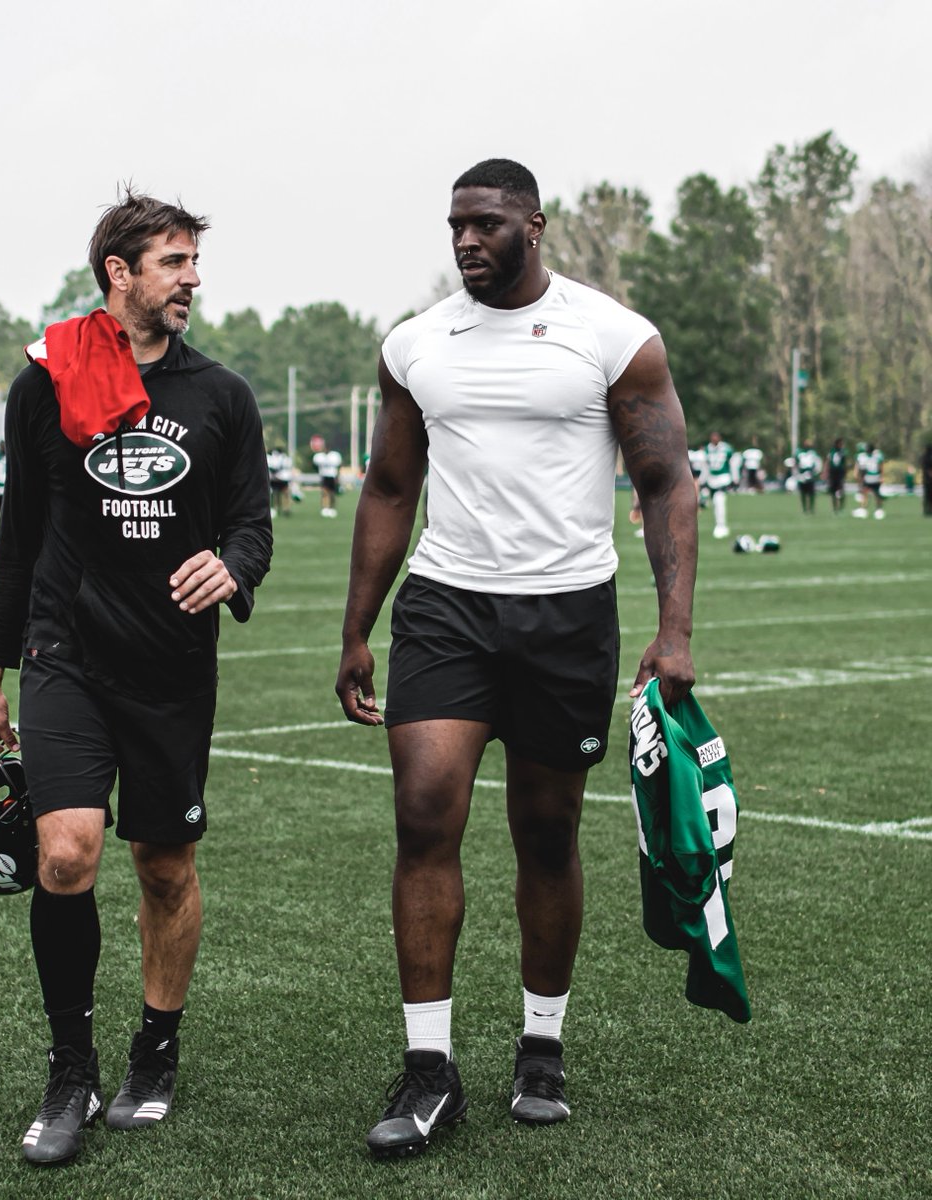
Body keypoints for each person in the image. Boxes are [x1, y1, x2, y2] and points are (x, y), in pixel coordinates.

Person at [335, 159, 697, 1160]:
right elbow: (389, 486)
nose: (465, 242)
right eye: (455, 226)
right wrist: (356, 626)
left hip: (565, 614)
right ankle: (427, 1067)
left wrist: (675, 633)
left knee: (546, 830)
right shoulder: (416, 344)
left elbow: (668, 481)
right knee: (423, 815)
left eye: (486, 225)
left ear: (533, 226)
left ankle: (542, 1042)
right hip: (447, 608)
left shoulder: (613, 338)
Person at [0, 186, 272, 1167]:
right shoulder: (47, 381)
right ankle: (69, 1071)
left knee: (164, 866)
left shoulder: (221, 395)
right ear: (119, 274)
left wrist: (235, 566)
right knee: (65, 856)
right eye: (174, 263)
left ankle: (156, 1047)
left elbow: (251, 526)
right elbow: (17, 537)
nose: (192, 280)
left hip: (172, 665)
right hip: (69, 654)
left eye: (192, 262)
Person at [702, 431, 737, 538]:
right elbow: (706, 466)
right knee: (714, 503)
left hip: (723, 478)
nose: (714, 439)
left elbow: (733, 463)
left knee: (719, 501)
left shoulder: (727, 448)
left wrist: (735, 478)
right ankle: (719, 524)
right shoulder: (707, 449)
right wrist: (703, 480)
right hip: (712, 479)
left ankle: (721, 526)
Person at [854, 442, 885, 519]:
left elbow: (860, 468)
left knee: (865, 494)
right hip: (876, 477)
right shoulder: (878, 456)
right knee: (877, 495)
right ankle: (879, 510)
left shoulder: (862, 457)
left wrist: (858, 476)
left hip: (868, 478)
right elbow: (881, 467)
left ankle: (863, 510)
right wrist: (882, 476)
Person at [313, 439, 343, 516]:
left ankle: (332, 508)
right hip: (324, 476)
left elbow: (338, 467)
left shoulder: (335, 456)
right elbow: (315, 466)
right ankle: (325, 508)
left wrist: (338, 477)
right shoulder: (319, 456)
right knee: (324, 493)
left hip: (332, 476)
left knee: (332, 494)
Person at [266, 445, 294, 517]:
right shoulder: (283, 458)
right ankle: (278, 508)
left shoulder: (284, 459)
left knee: (281, 494)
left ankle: (283, 509)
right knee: (276, 494)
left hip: (280, 478)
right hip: (276, 478)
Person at [794, 440, 821, 514]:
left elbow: (817, 463)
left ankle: (811, 508)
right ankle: (804, 509)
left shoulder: (813, 453)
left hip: (810, 475)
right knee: (803, 493)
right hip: (801, 475)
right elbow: (796, 464)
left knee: (811, 493)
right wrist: (797, 474)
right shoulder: (799, 453)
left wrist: (815, 473)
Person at [825, 437, 849, 514]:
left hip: (840, 474)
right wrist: (825, 472)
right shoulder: (832, 452)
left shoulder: (843, 452)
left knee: (841, 491)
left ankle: (841, 507)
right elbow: (828, 462)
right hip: (833, 474)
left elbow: (845, 463)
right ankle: (835, 508)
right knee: (833, 492)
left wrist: (845, 472)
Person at [921, 443, 932, 517]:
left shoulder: (923, 457)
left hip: (925, 480)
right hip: (929, 480)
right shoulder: (929, 458)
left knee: (926, 496)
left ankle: (926, 510)